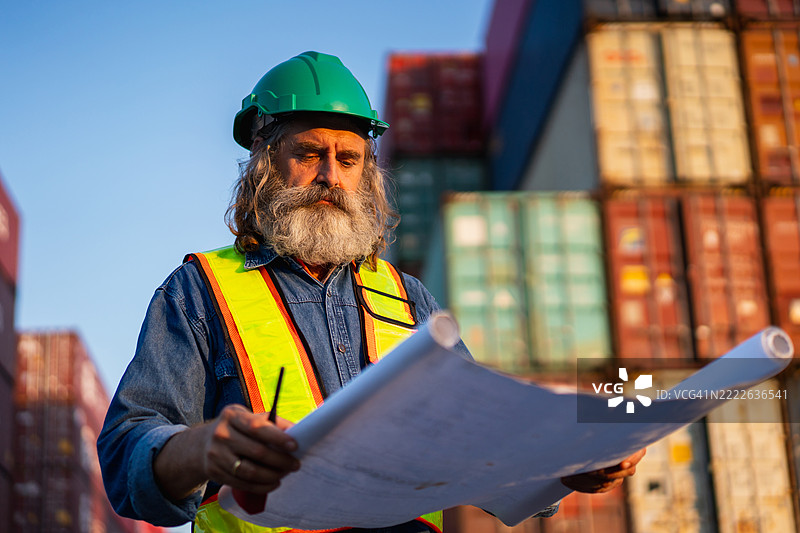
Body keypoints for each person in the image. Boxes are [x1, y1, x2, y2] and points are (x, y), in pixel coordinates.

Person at [97, 51, 644, 532]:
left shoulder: (411, 300)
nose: (331, 176)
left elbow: (481, 450)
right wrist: (202, 448)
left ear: (367, 172)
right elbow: (126, 460)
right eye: (309, 154)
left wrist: (571, 462)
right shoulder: (197, 292)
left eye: (348, 158)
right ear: (263, 163)